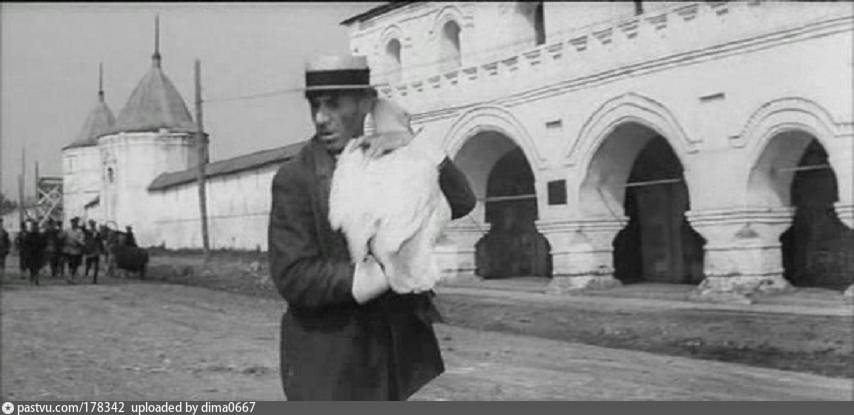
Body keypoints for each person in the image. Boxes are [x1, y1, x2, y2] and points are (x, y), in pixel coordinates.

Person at [268, 54, 476, 401]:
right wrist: (386, 272)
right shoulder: (297, 178)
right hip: (329, 359)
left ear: (366, 102)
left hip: (388, 351)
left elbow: (462, 201)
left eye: (334, 104)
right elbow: (294, 276)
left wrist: (412, 141)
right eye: (315, 105)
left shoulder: (392, 157)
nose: (321, 118)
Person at [20, 219, 45, 285]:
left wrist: (42, 252)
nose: (35, 228)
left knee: (37, 267)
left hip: (38, 254)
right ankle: (32, 278)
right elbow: (25, 244)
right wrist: (27, 251)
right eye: (34, 226)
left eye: (36, 226)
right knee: (31, 267)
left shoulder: (40, 235)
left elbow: (43, 244)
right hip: (31, 254)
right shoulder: (29, 235)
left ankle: (36, 278)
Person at [63, 217, 85, 284]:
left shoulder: (79, 231)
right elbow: (62, 237)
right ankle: (70, 277)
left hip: (76, 251)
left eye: (75, 222)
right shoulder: (67, 230)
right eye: (72, 222)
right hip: (68, 250)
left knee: (75, 265)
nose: (73, 224)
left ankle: (71, 277)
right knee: (70, 264)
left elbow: (82, 240)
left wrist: (77, 241)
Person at [83, 220, 104, 284]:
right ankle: (87, 275)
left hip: (95, 250)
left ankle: (94, 279)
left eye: (93, 224)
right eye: (91, 224)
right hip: (89, 249)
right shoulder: (88, 232)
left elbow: (100, 240)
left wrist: (101, 248)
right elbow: (85, 235)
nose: (92, 225)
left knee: (96, 265)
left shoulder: (97, 232)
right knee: (88, 264)